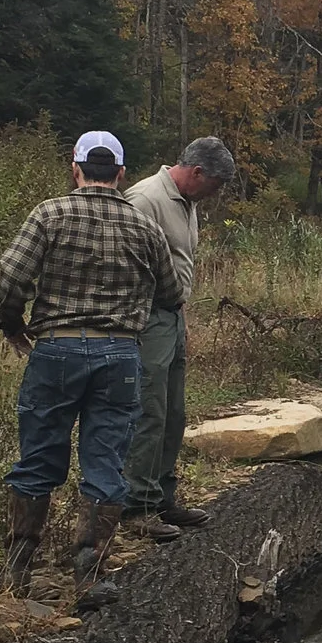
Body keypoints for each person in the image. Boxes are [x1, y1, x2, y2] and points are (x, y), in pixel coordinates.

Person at [0, 132, 182, 610]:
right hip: (119, 355)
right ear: (120, 173)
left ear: (75, 168)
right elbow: (173, 292)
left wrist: (12, 323)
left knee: (38, 457)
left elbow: (11, 275)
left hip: (55, 350)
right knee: (105, 460)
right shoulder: (144, 224)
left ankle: (17, 573)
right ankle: (90, 575)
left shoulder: (48, 214)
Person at [121, 137, 238, 539]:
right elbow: (124, 265)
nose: (215, 193)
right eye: (215, 185)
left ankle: (162, 499)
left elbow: (178, 264)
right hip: (146, 318)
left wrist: (181, 318)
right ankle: (136, 506)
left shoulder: (187, 204)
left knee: (173, 412)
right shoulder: (145, 199)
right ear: (197, 173)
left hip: (171, 317)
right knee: (149, 410)